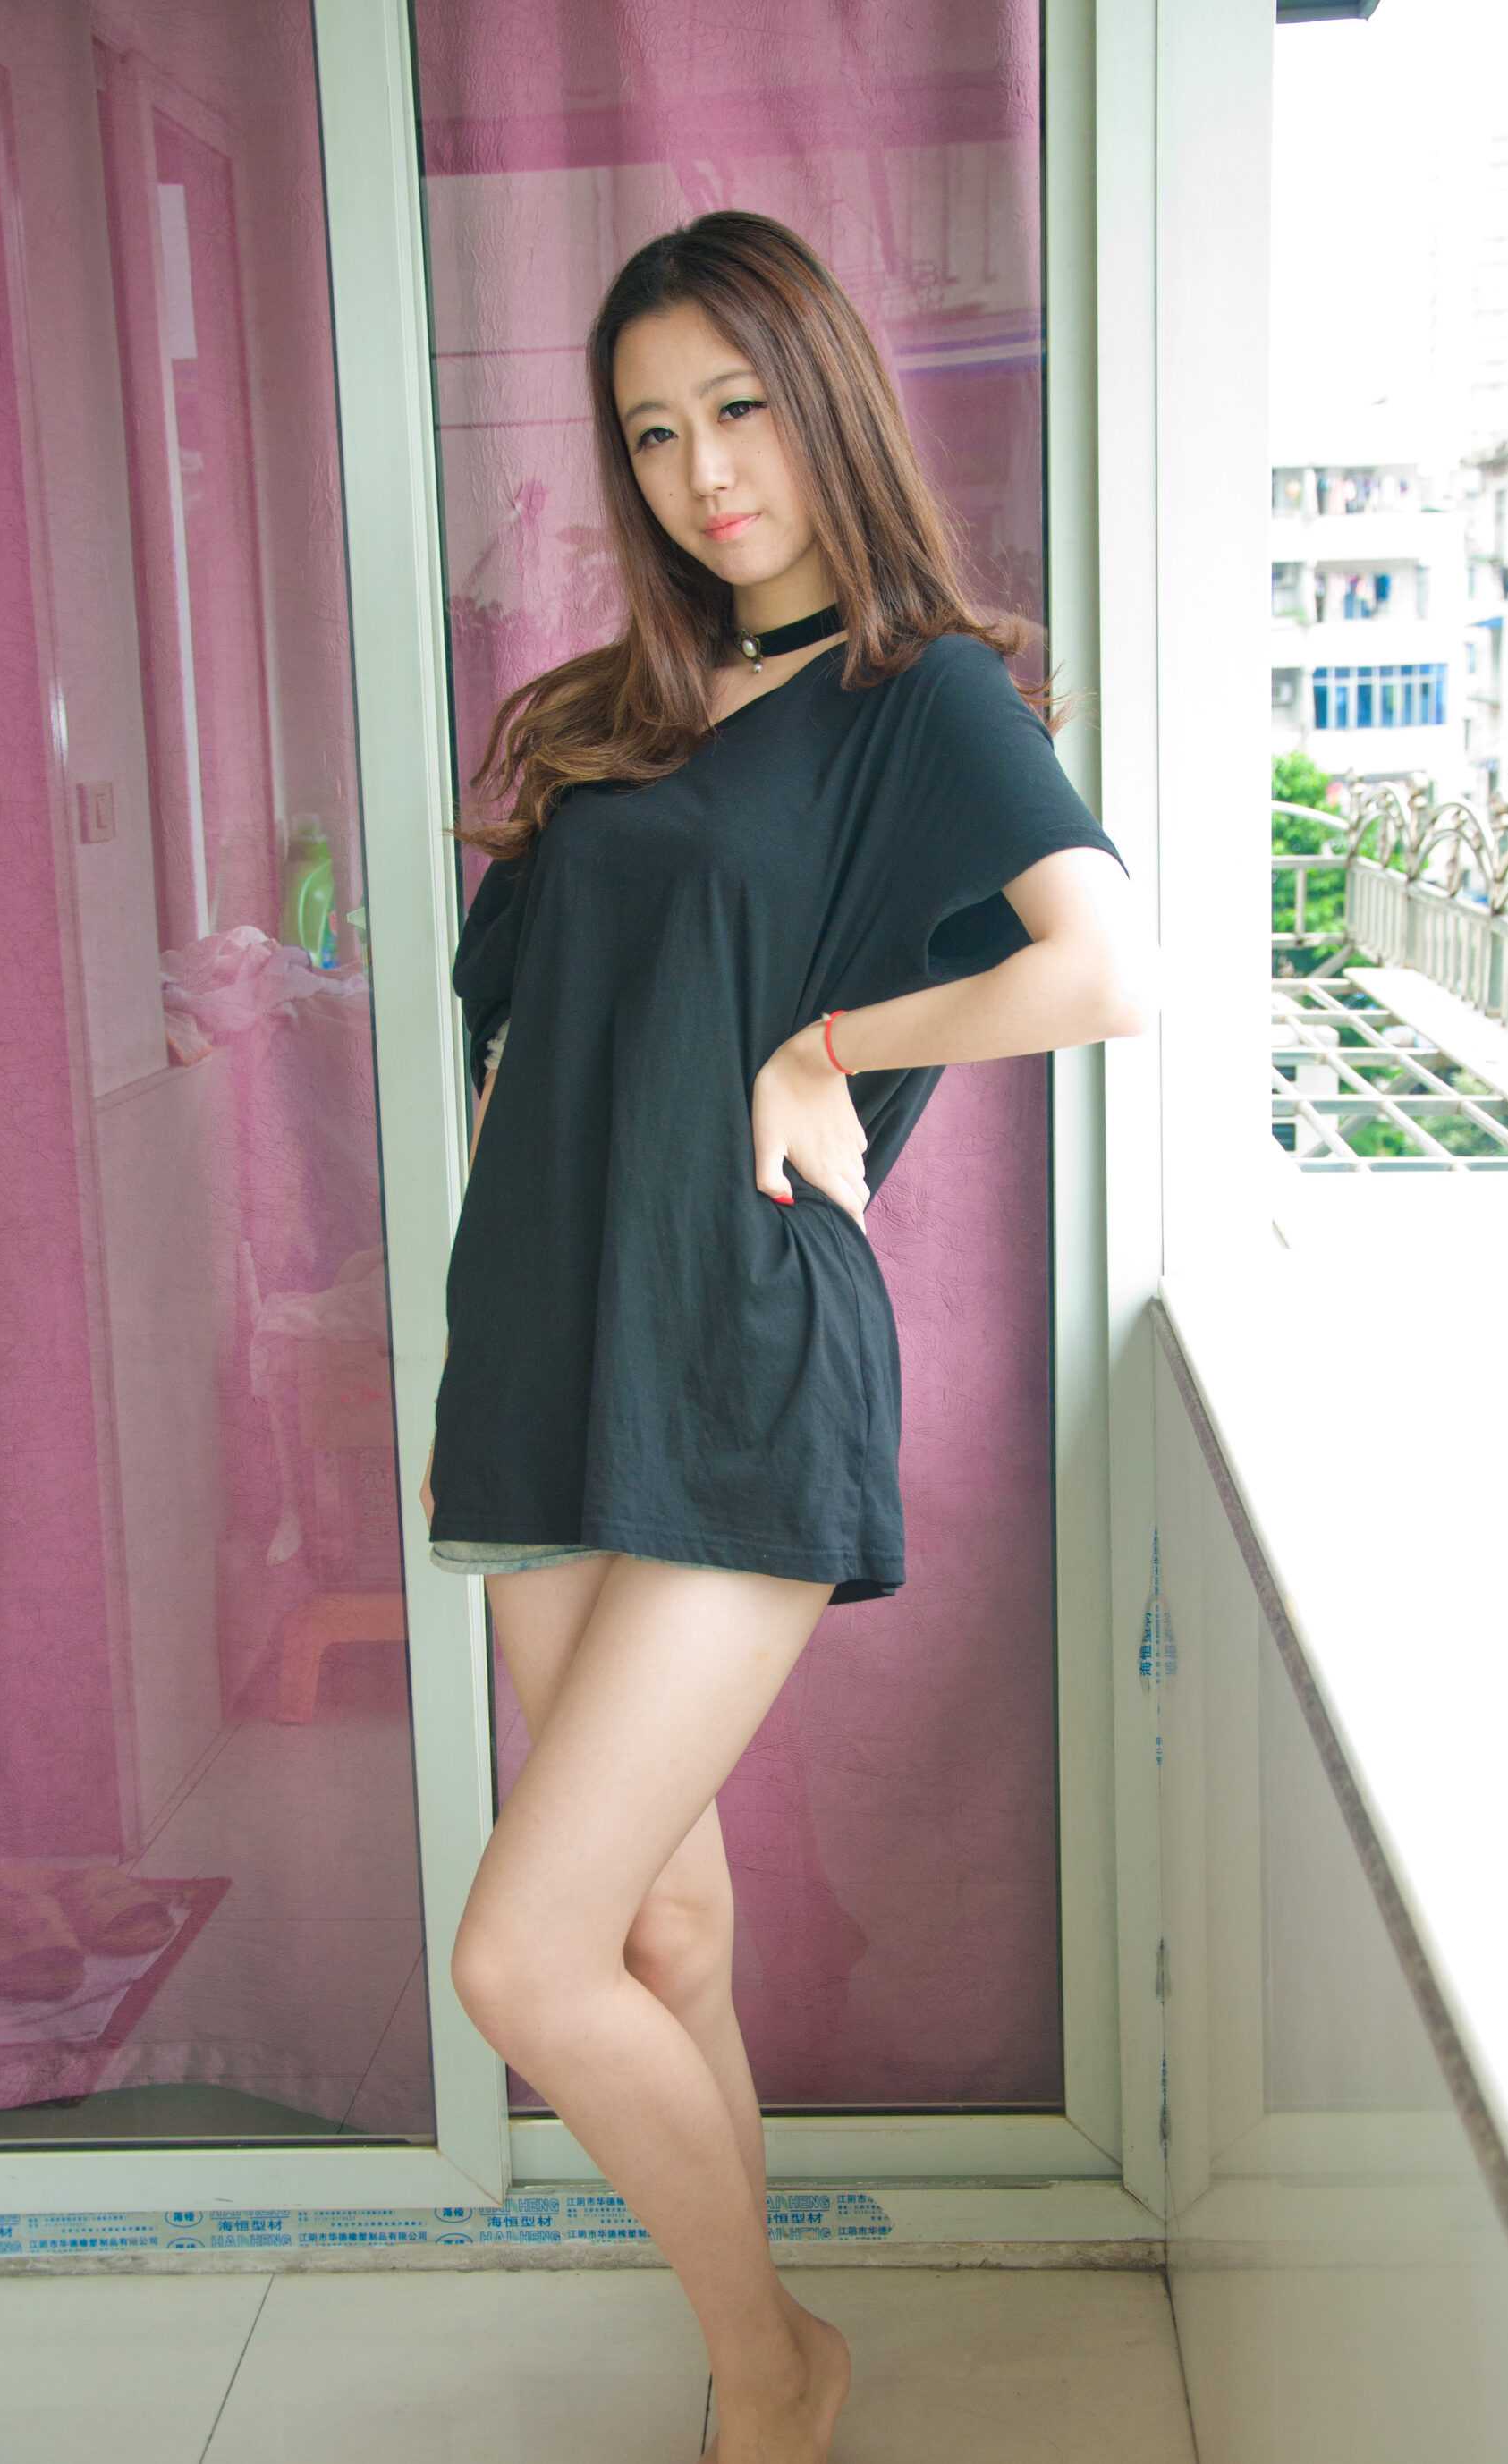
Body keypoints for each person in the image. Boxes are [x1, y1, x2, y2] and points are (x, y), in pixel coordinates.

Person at [419, 210, 1154, 2464]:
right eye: (653, 433)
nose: (704, 470)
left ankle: (773, 2375)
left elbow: (1107, 967)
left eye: (737, 408)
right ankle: (763, 2361)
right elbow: (511, 1057)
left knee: (521, 1962)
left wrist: (835, 1042)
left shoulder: (922, 696)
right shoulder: (605, 719)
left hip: (739, 1364)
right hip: (540, 1368)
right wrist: (480, 1335)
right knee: (664, 1937)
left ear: (824, 398)